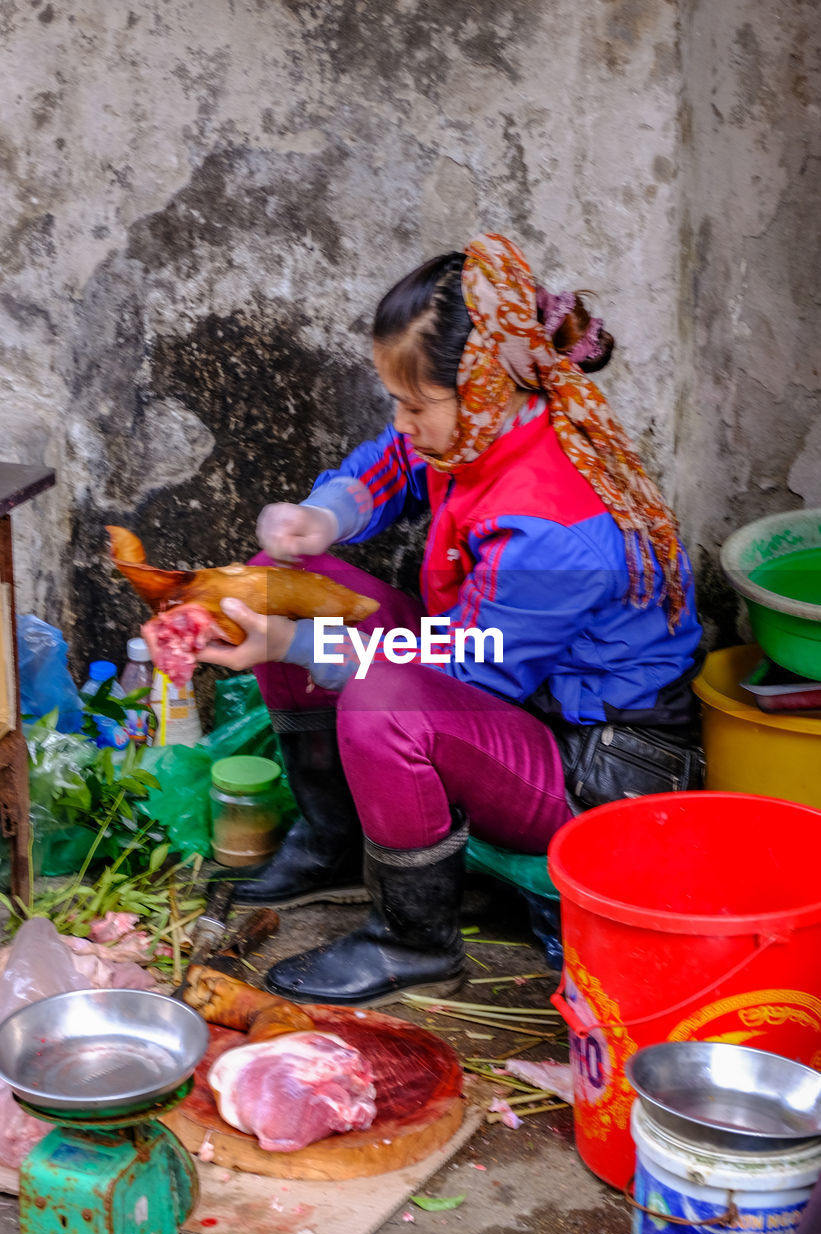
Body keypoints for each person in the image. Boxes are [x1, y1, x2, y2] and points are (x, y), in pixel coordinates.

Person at [198, 232, 705, 1007]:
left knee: (383, 699)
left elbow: (467, 664)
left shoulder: (556, 527)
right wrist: (320, 518)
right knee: (274, 583)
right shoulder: (480, 429)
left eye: (414, 404)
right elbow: (397, 461)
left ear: (481, 387)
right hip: (503, 696)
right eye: (394, 402)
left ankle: (413, 939)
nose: (402, 422)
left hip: (599, 767)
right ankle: (336, 844)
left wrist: (296, 647)